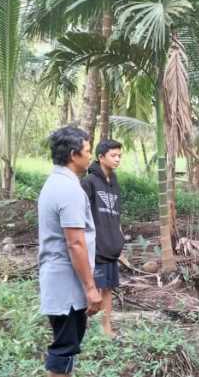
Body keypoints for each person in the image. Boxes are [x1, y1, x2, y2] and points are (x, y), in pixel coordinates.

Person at [37, 126, 102, 377]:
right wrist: (90, 288)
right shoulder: (68, 189)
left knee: (66, 347)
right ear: (74, 155)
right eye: (87, 151)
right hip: (67, 284)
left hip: (61, 280)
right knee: (64, 349)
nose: (90, 156)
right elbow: (75, 243)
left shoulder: (56, 183)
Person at [81, 139, 124, 338]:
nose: (117, 159)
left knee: (107, 289)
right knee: (93, 291)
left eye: (119, 156)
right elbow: (81, 216)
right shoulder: (89, 183)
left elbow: (116, 215)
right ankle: (84, 328)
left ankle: (106, 328)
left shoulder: (114, 183)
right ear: (101, 157)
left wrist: (119, 239)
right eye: (113, 155)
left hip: (111, 247)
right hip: (96, 247)